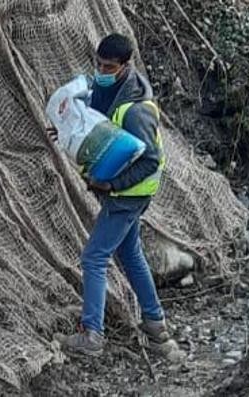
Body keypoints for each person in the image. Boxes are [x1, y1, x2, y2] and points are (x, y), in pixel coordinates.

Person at [59, 33, 169, 357]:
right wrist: (65, 129)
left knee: (94, 257)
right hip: (126, 193)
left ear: (126, 65)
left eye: (109, 66)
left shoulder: (137, 111)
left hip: (128, 194)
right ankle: (155, 324)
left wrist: (113, 186)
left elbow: (151, 160)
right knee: (130, 252)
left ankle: (92, 335)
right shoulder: (110, 89)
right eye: (99, 64)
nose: (102, 70)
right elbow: (97, 124)